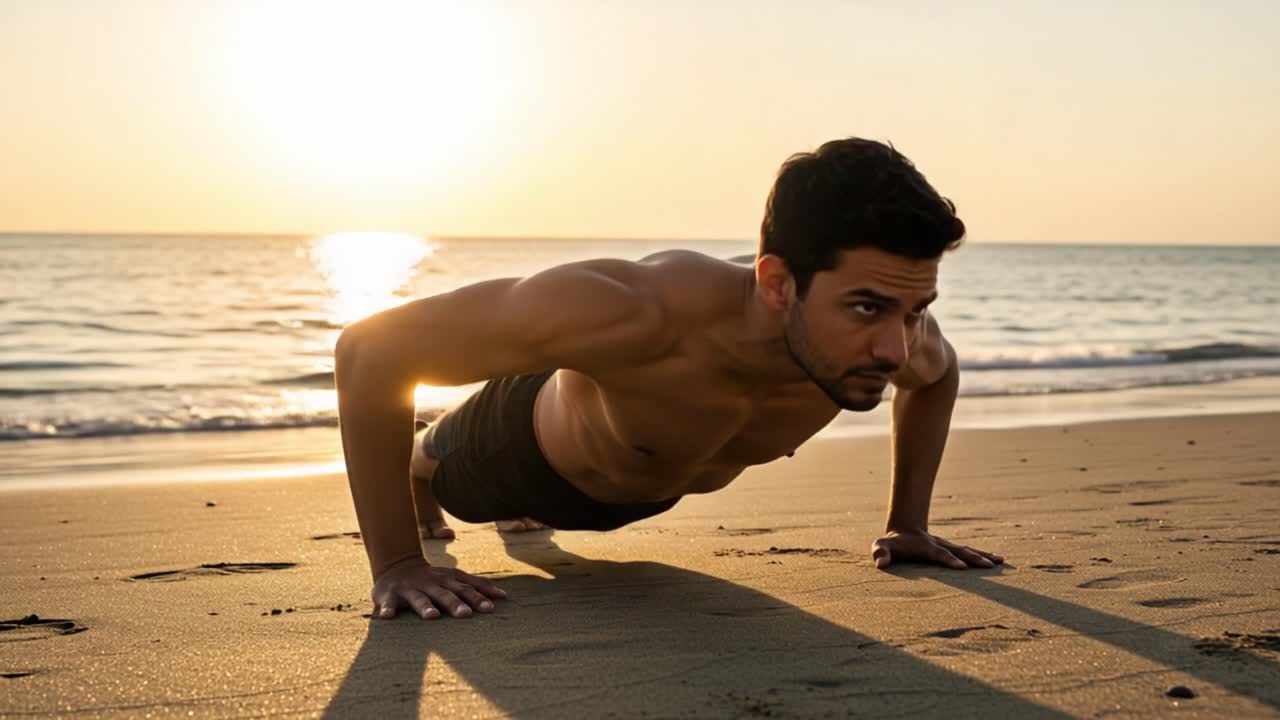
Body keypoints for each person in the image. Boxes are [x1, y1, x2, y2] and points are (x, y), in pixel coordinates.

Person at [335, 137, 1004, 621]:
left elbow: (935, 377)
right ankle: (425, 460)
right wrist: (397, 564)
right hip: (519, 454)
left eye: (916, 309)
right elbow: (370, 352)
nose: (896, 347)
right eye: (866, 307)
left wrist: (908, 523)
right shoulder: (635, 310)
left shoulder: (893, 337)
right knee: (441, 464)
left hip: (641, 482)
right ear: (778, 282)